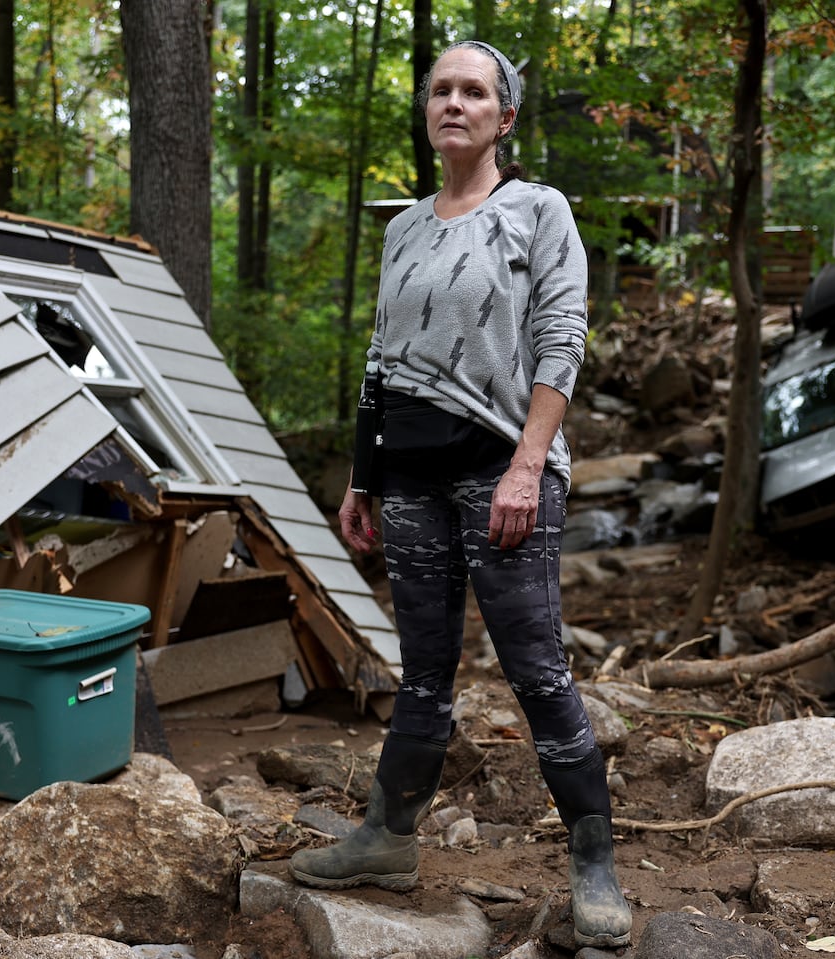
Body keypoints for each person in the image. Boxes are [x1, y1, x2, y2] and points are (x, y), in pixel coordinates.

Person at [288, 40, 632, 949]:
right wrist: (363, 474)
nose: (454, 102)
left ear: (503, 117)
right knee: (426, 667)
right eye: (441, 89)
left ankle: (595, 861)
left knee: (534, 663)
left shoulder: (537, 210)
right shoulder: (405, 225)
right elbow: (379, 360)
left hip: (498, 470)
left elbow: (563, 339)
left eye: (474, 91)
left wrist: (528, 465)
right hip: (410, 475)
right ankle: (387, 838)